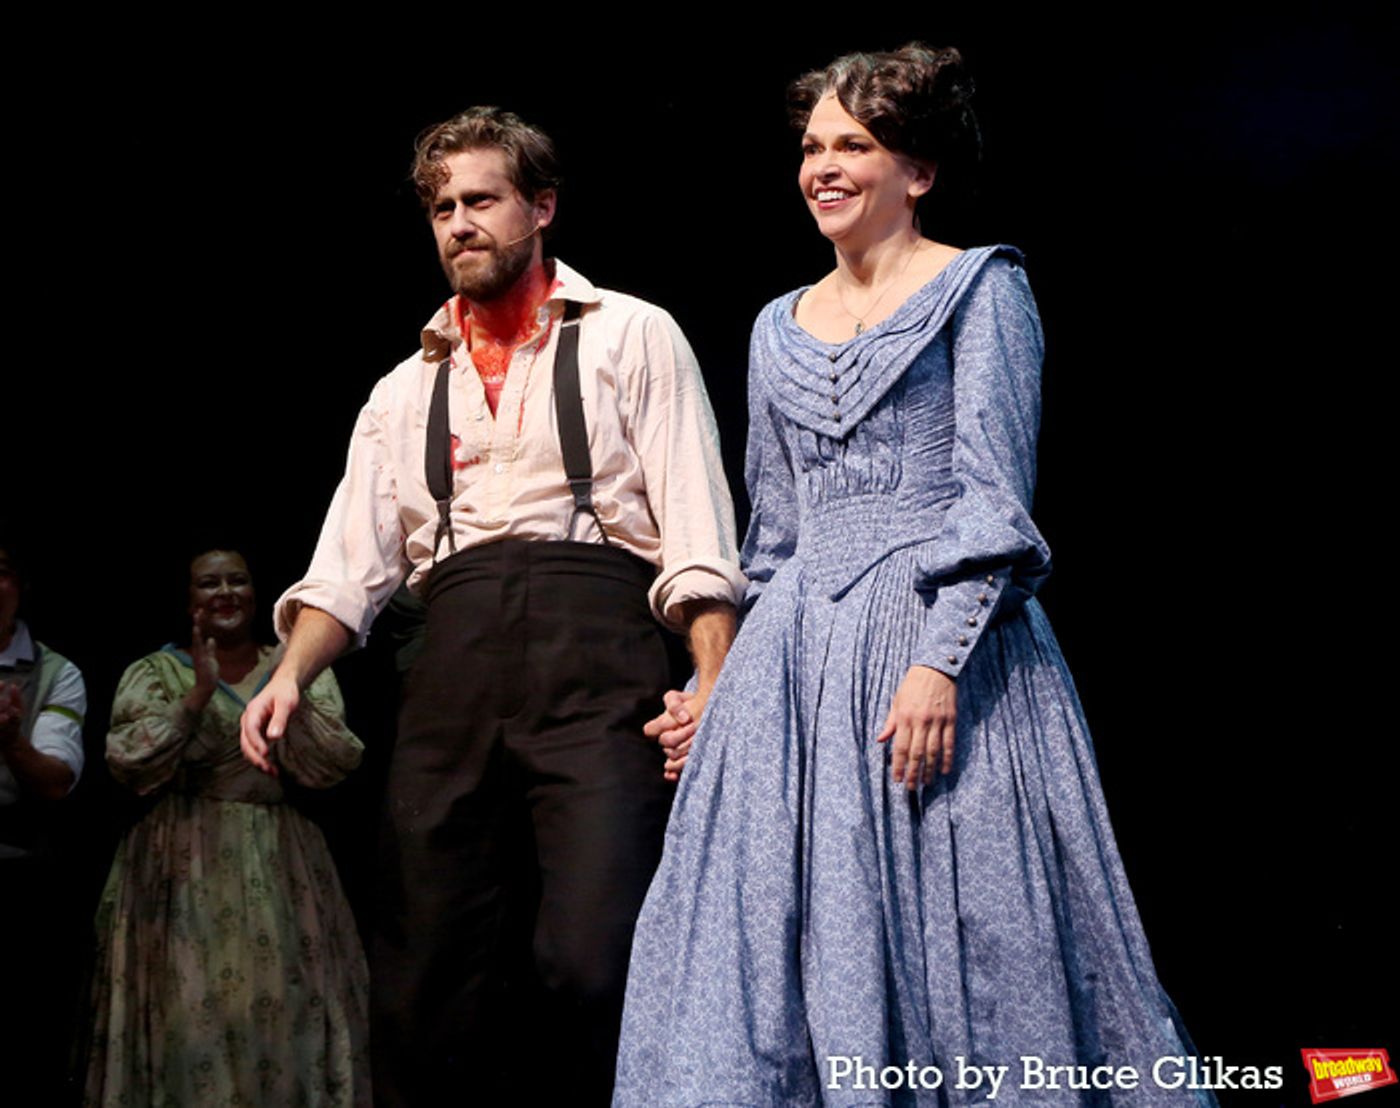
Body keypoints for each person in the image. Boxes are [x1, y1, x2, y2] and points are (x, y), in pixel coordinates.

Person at [616, 45, 1214, 1106]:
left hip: (938, 649)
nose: (823, 167)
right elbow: (775, 534)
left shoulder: (981, 288)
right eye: (811, 147)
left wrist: (938, 662)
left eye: (854, 144)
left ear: (917, 170)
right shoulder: (771, 325)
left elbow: (991, 499)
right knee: (758, 934)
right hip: (795, 670)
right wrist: (722, 686)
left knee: (970, 929)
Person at [239, 107, 743, 1106]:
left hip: (598, 655)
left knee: (593, 957)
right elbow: (349, 566)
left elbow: (695, 528)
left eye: (480, 200)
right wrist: (287, 675)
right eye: (441, 208)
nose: (458, 223)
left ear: (540, 207)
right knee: (429, 975)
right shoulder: (398, 391)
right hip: (451, 668)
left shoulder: (631, 335)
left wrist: (712, 679)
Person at [84, 549, 369, 1106]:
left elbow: (333, 762)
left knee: (284, 1007)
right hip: (181, 860)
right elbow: (127, 762)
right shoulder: (155, 672)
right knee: (189, 1012)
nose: (225, 592)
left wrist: (291, 688)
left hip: (279, 861)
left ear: (256, 594)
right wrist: (198, 695)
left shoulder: (297, 666)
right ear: (189, 600)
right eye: (209, 583)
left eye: (237, 580)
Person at [0, 537, 87, 1102]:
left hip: (17, 878)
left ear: (20, 587)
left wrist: (11, 742)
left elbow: (57, 779)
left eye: (0, 572)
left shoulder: (57, 671)